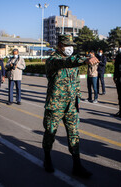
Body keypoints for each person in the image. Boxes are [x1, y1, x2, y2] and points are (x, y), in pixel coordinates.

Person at [42, 34, 99, 179]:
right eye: (67, 45)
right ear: (60, 45)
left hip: (71, 104)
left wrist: (77, 99)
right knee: (50, 132)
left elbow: (76, 82)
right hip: (56, 104)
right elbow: (68, 62)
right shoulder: (53, 60)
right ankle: (47, 158)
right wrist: (85, 59)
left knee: (74, 134)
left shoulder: (72, 62)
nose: (70, 48)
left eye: (72, 45)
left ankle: (77, 165)